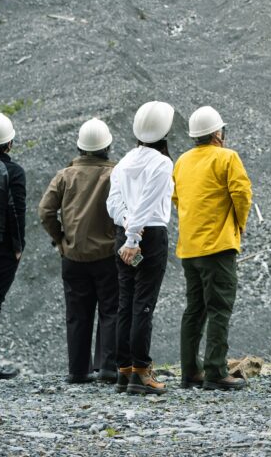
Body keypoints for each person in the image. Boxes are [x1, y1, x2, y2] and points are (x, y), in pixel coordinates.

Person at [172, 105, 252, 392]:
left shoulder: (181, 161)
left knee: (194, 309)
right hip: (218, 247)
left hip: (189, 249)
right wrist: (238, 225)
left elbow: (177, 198)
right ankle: (216, 372)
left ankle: (189, 371)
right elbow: (242, 194)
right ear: (218, 133)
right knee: (219, 308)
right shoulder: (227, 157)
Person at [39, 117, 119, 384]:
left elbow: (45, 211)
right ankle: (107, 367)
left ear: (80, 147)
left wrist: (60, 239)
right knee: (110, 310)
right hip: (108, 256)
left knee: (77, 313)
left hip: (73, 257)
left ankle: (78, 371)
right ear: (107, 146)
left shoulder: (65, 176)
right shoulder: (115, 174)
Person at [107, 100, 175, 396]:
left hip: (125, 231)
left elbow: (113, 203)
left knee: (126, 303)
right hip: (149, 235)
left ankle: (123, 371)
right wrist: (134, 237)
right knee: (143, 305)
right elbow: (148, 201)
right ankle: (141, 372)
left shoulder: (123, 163)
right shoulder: (161, 163)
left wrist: (126, 226)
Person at [0, 113, 25, 380]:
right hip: (0, 248)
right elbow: (16, 211)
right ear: (9, 143)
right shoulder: (13, 172)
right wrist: (18, 246)